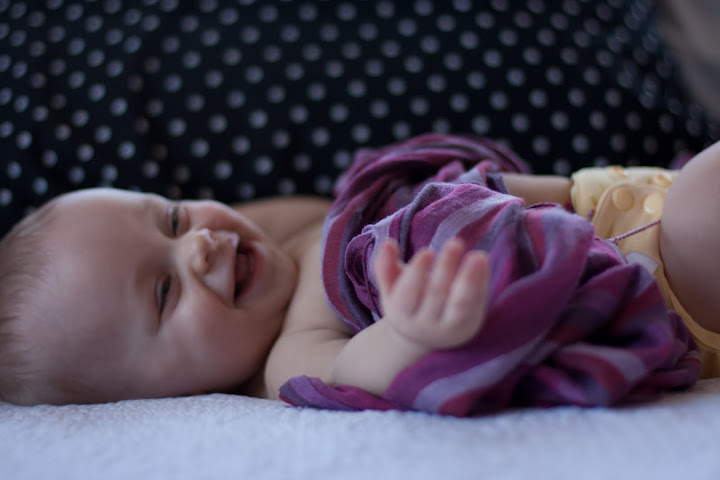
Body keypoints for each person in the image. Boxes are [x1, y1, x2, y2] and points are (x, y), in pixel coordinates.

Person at [0, 133, 716, 408]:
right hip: (646, 278)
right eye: (163, 291)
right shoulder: (285, 357)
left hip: (611, 200)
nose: (201, 246)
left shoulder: (286, 238)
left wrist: (561, 192)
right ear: (150, 396)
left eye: (173, 216)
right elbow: (352, 371)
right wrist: (407, 334)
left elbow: (441, 189)